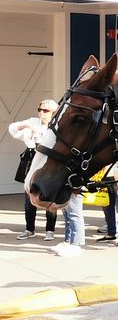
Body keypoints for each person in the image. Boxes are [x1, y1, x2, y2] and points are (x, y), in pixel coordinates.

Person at [8, 99, 59, 241]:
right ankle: (29, 229)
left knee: (49, 197)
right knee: (29, 196)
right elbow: (12, 129)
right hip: (32, 159)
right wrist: (25, 126)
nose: (41, 113)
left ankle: (50, 230)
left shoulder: (57, 125)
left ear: (53, 113)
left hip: (49, 161)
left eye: (45, 110)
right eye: (40, 109)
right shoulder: (33, 122)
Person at [53, 190, 85, 257]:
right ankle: (68, 241)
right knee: (68, 216)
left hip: (73, 187)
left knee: (74, 216)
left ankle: (76, 244)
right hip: (66, 188)